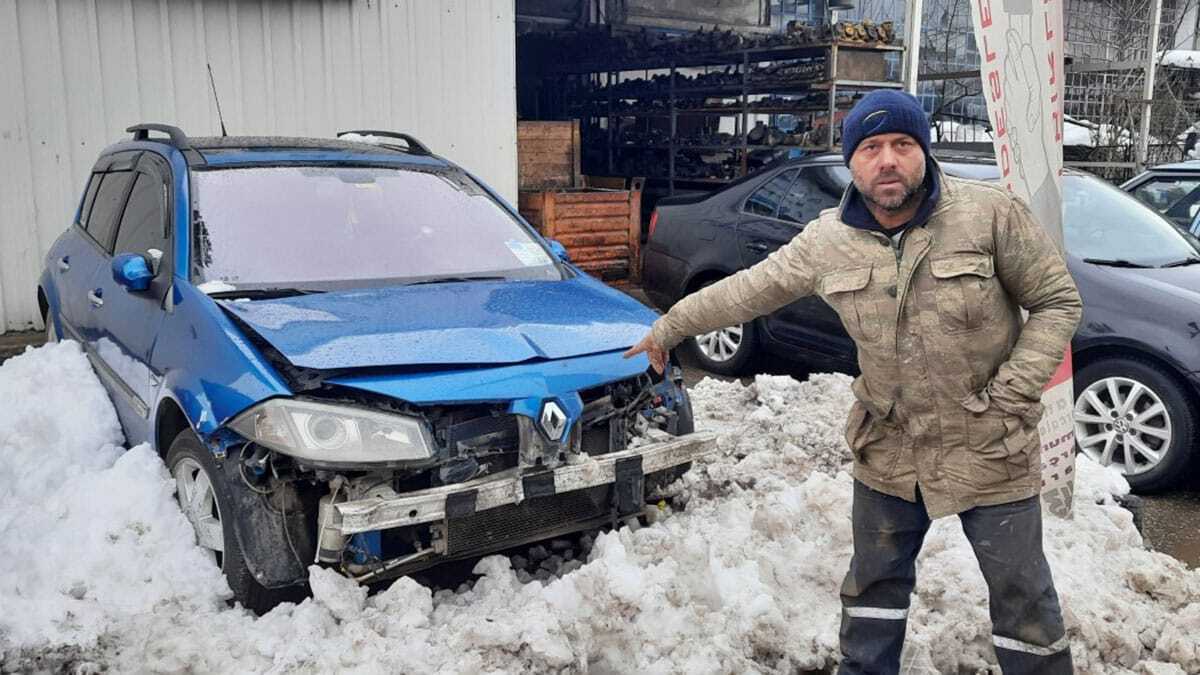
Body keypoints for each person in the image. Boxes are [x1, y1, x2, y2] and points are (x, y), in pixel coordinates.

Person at [624, 90, 1081, 674]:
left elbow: (1057, 302)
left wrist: (1012, 392)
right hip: (889, 444)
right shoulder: (827, 240)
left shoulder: (989, 214)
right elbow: (746, 290)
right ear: (851, 162)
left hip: (991, 440)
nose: (887, 160)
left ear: (924, 151)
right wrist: (669, 327)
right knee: (872, 593)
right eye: (871, 148)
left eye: (902, 144)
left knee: (1025, 601)